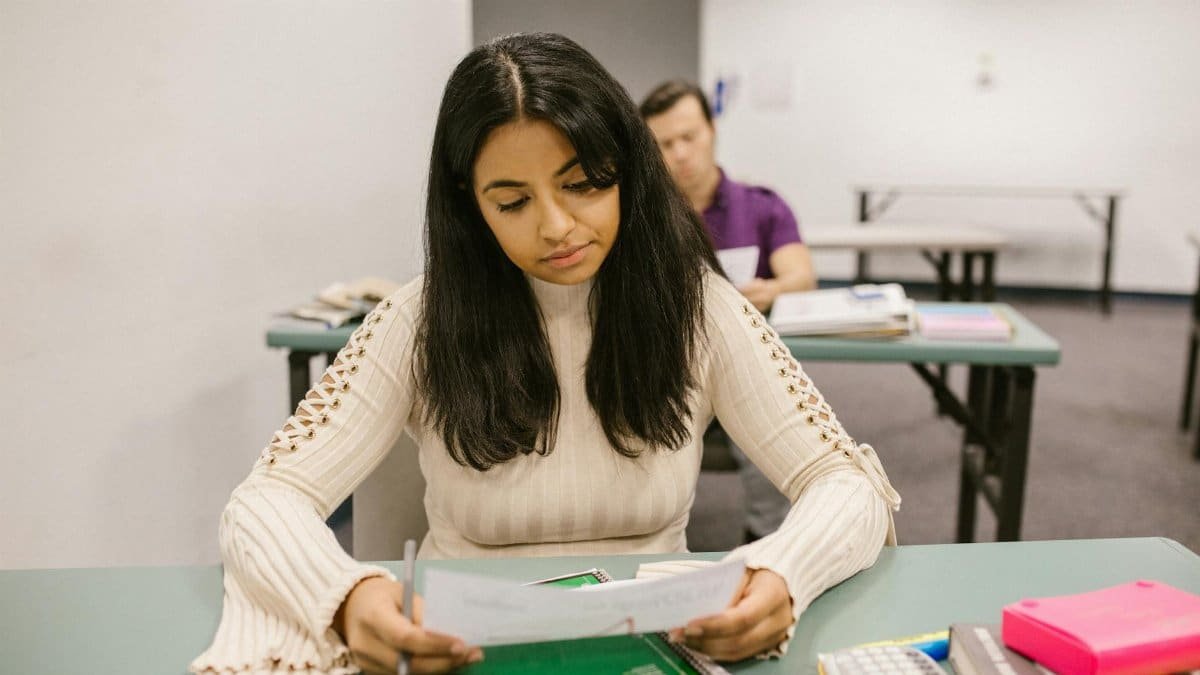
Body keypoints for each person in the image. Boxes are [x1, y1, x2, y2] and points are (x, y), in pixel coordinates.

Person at [191, 33, 899, 675]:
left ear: (627, 170)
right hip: (460, 654)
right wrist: (346, 595)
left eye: (584, 184)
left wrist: (783, 571)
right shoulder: (417, 321)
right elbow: (263, 502)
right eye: (512, 201)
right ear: (469, 206)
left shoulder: (699, 308)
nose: (558, 227)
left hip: (663, 648)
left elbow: (850, 484)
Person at [641, 80, 818, 544]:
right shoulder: (638, 217)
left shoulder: (761, 207)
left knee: (774, 434)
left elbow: (802, 276)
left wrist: (771, 289)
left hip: (744, 369)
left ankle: (768, 544)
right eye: (664, 143)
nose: (680, 153)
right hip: (664, 371)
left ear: (712, 130)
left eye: (690, 137)